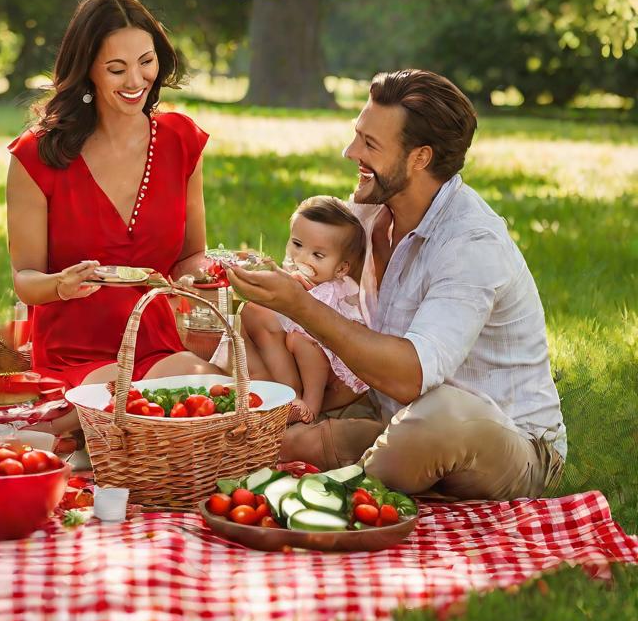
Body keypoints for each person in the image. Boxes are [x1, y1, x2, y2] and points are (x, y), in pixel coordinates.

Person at [228, 70, 567, 501]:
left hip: (506, 442)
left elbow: (411, 377)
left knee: (438, 415)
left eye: (370, 145)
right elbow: (319, 295)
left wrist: (300, 305)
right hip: (394, 416)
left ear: (420, 158)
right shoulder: (366, 218)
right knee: (268, 431)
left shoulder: (471, 243)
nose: (350, 152)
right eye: (357, 135)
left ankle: (353, 486)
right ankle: (374, 477)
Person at [6, 0, 219, 397]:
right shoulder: (37, 154)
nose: (136, 81)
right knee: (123, 412)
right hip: (75, 354)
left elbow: (192, 254)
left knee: (211, 397)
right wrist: (60, 285)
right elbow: (25, 279)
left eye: (146, 62)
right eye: (117, 69)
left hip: (155, 346)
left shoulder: (181, 141)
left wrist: (195, 279)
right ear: (88, 70)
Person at [241, 196, 368, 424]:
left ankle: (311, 403)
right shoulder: (297, 277)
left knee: (301, 339)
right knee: (252, 312)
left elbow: (324, 326)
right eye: (297, 245)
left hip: (326, 357)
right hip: (294, 341)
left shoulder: (334, 292)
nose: (302, 257)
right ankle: (290, 393)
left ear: (340, 269)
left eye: (318, 255)